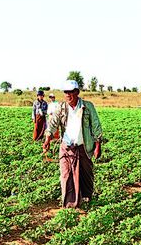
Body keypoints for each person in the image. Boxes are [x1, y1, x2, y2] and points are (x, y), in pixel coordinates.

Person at [43, 80, 103, 208]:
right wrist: (48, 138)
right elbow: (53, 124)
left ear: (77, 92)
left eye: (71, 92)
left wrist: (98, 145)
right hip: (67, 147)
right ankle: (70, 205)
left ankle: (86, 198)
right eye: (66, 92)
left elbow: (96, 126)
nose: (68, 95)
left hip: (83, 147)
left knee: (86, 174)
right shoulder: (61, 107)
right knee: (66, 175)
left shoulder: (87, 107)